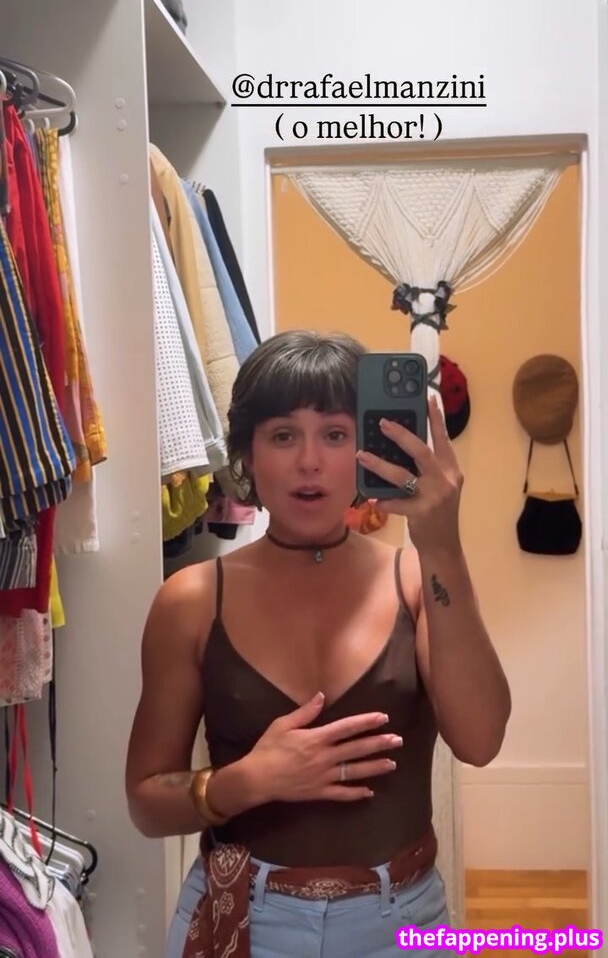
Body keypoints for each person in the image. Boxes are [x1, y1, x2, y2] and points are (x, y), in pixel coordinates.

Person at [125, 329, 511, 958]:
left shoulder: (416, 581)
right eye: (283, 435)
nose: (309, 460)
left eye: (334, 434)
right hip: (242, 919)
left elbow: (482, 740)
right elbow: (146, 802)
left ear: (366, 448)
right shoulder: (191, 600)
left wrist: (441, 543)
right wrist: (246, 781)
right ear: (247, 454)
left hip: (402, 921)